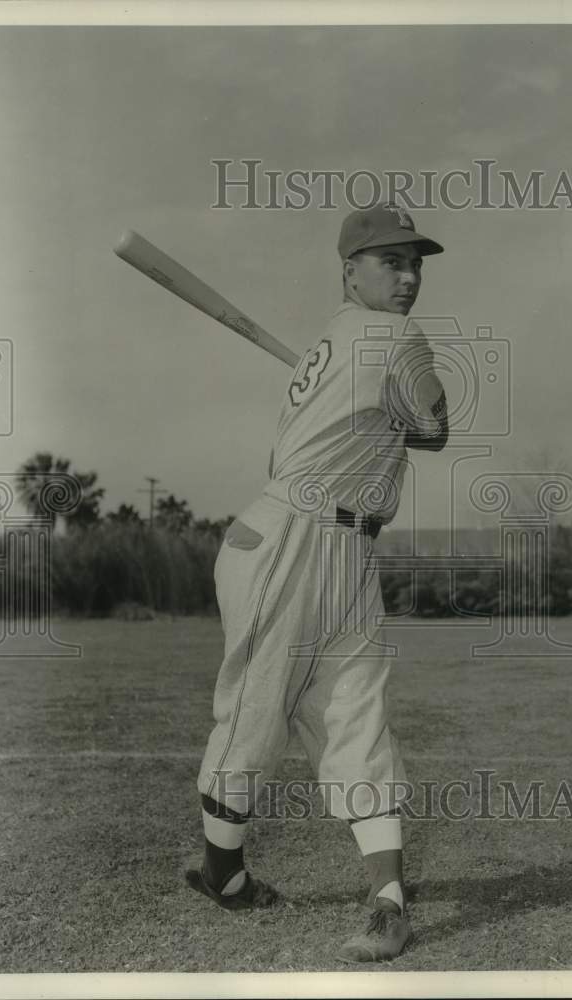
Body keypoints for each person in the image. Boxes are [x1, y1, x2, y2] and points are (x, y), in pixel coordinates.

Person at [186, 203, 449, 963]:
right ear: (349, 271)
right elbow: (435, 429)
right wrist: (402, 408)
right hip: (292, 537)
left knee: (355, 709)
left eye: (415, 265)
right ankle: (223, 873)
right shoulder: (391, 336)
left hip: (343, 542)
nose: (407, 278)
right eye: (390, 262)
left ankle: (387, 900)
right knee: (256, 713)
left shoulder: (335, 344)